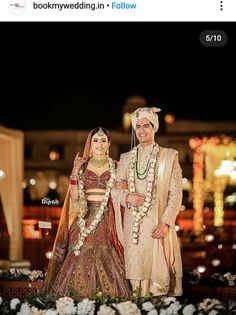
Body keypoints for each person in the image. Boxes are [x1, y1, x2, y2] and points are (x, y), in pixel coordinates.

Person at [41, 127, 131, 298]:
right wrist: (75, 170)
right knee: (80, 253)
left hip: (108, 217)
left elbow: (121, 193)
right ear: (90, 143)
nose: (99, 144)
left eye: (103, 140)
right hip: (85, 216)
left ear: (109, 143)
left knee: (108, 253)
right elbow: (75, 198)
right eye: (95, 140)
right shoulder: (82, 165)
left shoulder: (117, 166)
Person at [111, 107, 183, 297]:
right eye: (138, 127)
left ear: (155, 128)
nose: (141, 131)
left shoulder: (168, 156)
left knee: (157, 273)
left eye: (146, 126)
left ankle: (157, 307)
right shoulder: (126, 159)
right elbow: (114, 190)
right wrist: (127, 197)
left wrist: (166, 222)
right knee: (135, 273)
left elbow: (176, 193)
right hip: (133, 226)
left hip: (157, 224)